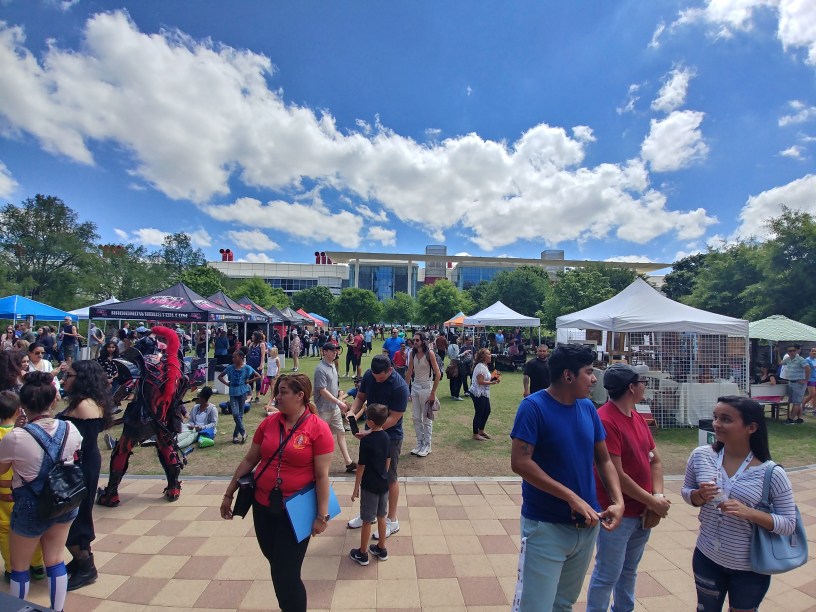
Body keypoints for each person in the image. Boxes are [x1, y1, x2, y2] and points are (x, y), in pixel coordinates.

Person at [510, 344, 624, 611]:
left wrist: (618, 500)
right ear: (568, 376)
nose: (595, 379)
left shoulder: (587, 409)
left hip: (586, 527)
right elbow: (520, 462)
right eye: (588, 372)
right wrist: (571, 497)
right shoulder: (533, 408)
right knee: (535, 606)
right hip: (545, 528)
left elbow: (604, 459)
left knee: (563, 604)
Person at [220, 374, 333, 612]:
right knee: (275, 562)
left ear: (300, 396)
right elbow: (251, 458)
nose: (277, 397)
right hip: (263, 505)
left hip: (297, 510)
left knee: (286, 572)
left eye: (282, 392)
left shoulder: (318, 429)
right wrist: (229, 492)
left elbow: (322, 476)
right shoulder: (268, 424)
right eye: (277, 392)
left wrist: (322, 516)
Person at [682, 396, 797, 611]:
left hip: (751, 567)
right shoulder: (701, 456)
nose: (716, 424)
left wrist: (750, 513)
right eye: (715, 417)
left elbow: (789, 524)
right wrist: (699, 495)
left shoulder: (772, 473)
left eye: (725, 419)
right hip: (707, 556)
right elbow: (687, 493)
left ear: (751, 427)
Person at [586, 364, 671, 612]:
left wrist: (657, 497)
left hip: (642, 511)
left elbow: (654, 460)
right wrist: (653, 501)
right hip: (617, 512)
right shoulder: (606, 420)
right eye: (642, 381)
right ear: (632, 387)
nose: (645, 385)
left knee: (629, 570)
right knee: (608, 573)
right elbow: (615, 473)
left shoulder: (638, 418)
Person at [0, 372, 82, 612]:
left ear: (22, 406)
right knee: (55, 560)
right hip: (63, 500)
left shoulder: (16, 437)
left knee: (20, 566)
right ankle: (57, 609)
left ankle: (19, 609)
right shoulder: (71, 429)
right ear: (54, 400)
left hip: (29, 504)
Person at [57, 360, 114, 590]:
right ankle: (81, 560)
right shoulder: (84, 403)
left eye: (68, 376)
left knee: (75, 516)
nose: (64, 380)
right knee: (77, 513)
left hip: (81, 466)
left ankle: (86, 566)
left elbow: (81, 442)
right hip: (81, 464)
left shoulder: (85, 407)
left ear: (81, 379)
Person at [347, 355, 409, 539]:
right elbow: (360, 397)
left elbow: (394, 417)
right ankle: (368, 513)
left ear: (390, 370)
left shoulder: (400, 387)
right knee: (368, 474)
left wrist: (372, 431)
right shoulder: (369, 375)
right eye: (374, 377)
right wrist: (352, 410)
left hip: (390, 436)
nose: (376, 380)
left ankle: (392, 520)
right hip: (371, 432)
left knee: (389, 477)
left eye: (380, 378)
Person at [0, 392, 45, 585]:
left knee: (5, 531)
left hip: (2, 496)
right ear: (19, 411)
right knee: (30, 528)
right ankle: (37, 564)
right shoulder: (26, 434)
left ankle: (11, 568)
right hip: (24, 491)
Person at [349, 403, 391, 565]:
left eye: (367, 418)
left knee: (367, 519)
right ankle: (381, 547)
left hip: (369, 485)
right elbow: (388, 460)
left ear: (371, 422)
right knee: (382, 516)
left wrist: (355, 488)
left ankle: (362, 552)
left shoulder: (366, 442)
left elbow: (361, 467)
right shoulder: (386, 437)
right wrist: (383, 475)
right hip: (383, 483)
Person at [313, 342, 357, 472]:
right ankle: (314, 464)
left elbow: (333, 385)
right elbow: (322, 390)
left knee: (341, 432)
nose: (335, 352)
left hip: (334, 407)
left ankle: (348, 462)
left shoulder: (332, 366)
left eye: (336, 350)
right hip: (324, 408)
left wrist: (339, 394)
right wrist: (338, 402)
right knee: (320, 438)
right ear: (324, 351)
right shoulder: (320, 369)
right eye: (332, 350)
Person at [406, 332, 441, 457]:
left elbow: (438, 373)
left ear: (423, 341)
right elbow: (409, 371)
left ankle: (427, 444)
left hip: (426, 387)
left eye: (417, 340)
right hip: (415, 387)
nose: (414, 342)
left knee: (426, 418)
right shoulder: (412, 353)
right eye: (414, 340)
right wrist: (406, 389)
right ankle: (419, 443)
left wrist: (433, 393)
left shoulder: (429, 353)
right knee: (416, 417)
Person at [218, 351, 261, 444]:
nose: (233, 359)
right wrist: (227, 384)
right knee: (235, 413)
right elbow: (220, 376)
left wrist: (248, 381)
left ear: (241, 357)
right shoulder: (230, 368)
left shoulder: (247, 368)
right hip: (233, 393)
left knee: (240, 414)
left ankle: (235, 436)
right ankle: (243, 432)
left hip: (242, 392)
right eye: (233, 357)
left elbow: (258, 376)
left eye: (235, 357)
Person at [469, 348, 498, 442]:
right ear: (483, 357)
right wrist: (492, 383)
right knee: (480, 412)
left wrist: (494, 378)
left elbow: (486, 378)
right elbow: (480, 381)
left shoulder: (485, 366)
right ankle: (475, 434)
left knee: (487, 410)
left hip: (483, 392)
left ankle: (481, 430)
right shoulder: (480, 366)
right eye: (488, 354)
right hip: (478, 392)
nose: (490, 356)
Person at [781, 344, 810, 424]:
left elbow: (808, 369)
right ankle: (799, 419)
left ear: (796, 351)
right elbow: (780, 362)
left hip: (799, 383)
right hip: (791, 382)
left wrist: (805, 380)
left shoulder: (801, 359)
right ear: (788, 352)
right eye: (790, 351)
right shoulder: (788, 359)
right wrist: (777, 352)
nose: (792, 352)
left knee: (796, 402)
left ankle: (791, 419)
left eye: (793, 350)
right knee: (795, 401)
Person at [245, 331, 267, 403]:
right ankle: (250, 396)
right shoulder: (251, 344)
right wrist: (247, 344)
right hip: (250, 364)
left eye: (253, 336)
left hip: (257, 365)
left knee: (258, 381)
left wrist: (261, 364)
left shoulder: (262, 344)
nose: (252, 337)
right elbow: (247, 353)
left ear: (256, 337)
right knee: (250, 380)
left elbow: (263, 355)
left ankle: (257, 397)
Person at [805, 347, 816, 412]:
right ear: (810, 352)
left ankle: (814, 409)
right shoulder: (807, 360)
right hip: (810, 378)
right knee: (812, 394)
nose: (814, 352)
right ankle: (802, 405)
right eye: (813, 351)